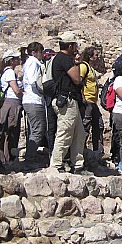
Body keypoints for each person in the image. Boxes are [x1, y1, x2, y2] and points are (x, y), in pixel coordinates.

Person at [48, 32, 87, 174]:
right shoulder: (65, 59)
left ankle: (78, 164)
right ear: (70, 46)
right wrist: (76, 63)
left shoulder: (59, 58)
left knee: (79, 133)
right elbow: (77, 79)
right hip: (67, 101)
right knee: (65, 132)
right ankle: (56, 164)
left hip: (70, 100)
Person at [21, 42, 46, 171]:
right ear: (34, 52)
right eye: (41, 52)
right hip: (34, 100)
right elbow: (33, 80)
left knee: (35, 130)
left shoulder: (29, 63)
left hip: (31, 100)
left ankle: (32, 157)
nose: (42, 55)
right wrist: (44, 88)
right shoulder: (33, 62)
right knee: (38, 130)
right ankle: (29, 160)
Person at [0, 50, 23, 164]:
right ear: (11, 60)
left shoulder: (6, 72)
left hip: (9, 102)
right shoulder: (10, 72)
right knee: (11, 130)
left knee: (7, 130)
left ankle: (5, 156)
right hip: (12, 103)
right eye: (16, 58)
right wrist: (23, 94)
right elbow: (15, 90)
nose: (18, 60)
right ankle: (8, 158)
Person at [79, 46, 105, 157]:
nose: (98, 57)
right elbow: (78, 81)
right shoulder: (84, 67)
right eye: (95, 55)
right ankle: (80, 150)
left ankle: (98, 152)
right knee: (85, 126)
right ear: (90, 56)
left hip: (93, 102)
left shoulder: (91, 68)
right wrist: (83, 98)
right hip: (87, 101)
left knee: (99, 125)